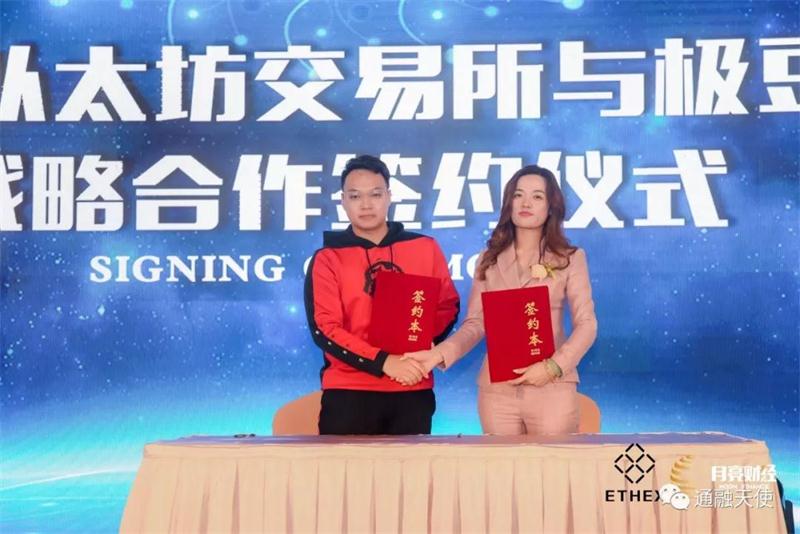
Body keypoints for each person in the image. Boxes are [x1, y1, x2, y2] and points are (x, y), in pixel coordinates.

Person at [404, 165, 597, 435]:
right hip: (496, 392)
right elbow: (476, 323)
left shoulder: (570, 258)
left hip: (551, 387)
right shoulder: (489, 259)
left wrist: (553, 367)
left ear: (551, 207)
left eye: (537, 196)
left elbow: (587, 324)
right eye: (518, 195)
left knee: (551, 462)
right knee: (500, 463)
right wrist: (439, 353)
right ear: (509, 203)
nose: (526, 203)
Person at [305, 154, 460, 435]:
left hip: (411, 386)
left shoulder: (425, 247)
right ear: (343, 201)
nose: (366, 204)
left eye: (375, 194)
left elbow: (447, 306)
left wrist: (417, 349)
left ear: (389, 196)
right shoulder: (328, 258)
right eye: (355, 196)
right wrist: (385, 362)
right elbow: (325, 328)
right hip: (349, 391)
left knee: (411, 465)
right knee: (343, 466)